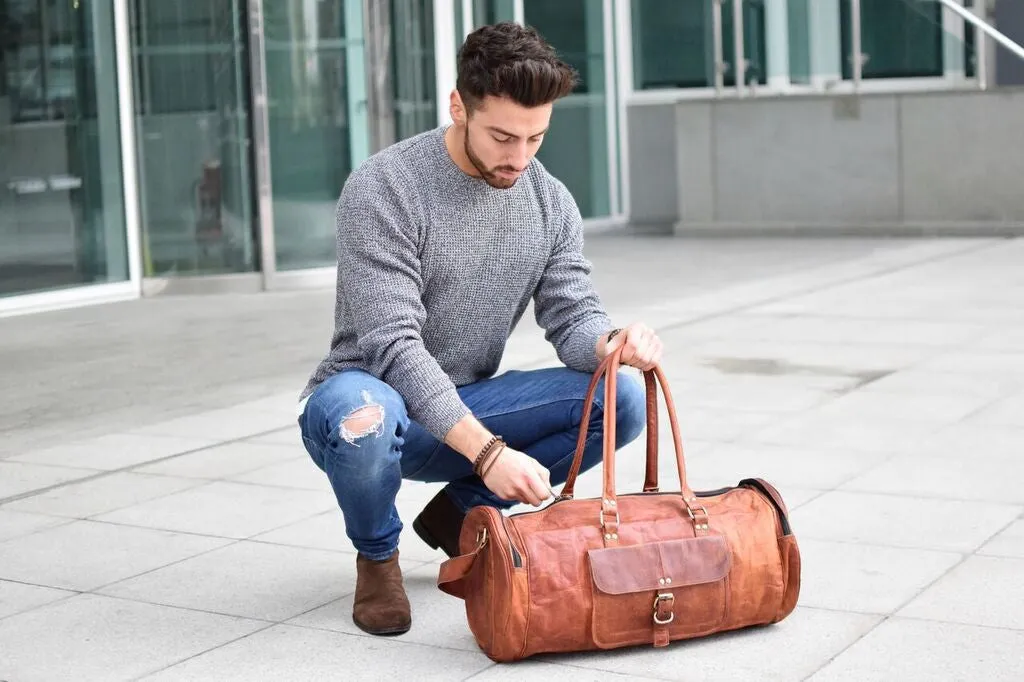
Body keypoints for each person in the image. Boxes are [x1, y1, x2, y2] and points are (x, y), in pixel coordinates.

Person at [297, 21, 664, 637]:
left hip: (466, 403)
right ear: (458, 106)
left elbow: (572, 315)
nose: (518, 157)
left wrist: (613, 343)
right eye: (501, 136)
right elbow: (391, 345)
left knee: (620, 398)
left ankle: (461, 516)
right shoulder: (385, 188)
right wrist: (487, 453)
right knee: (364, 418)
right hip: (368, 397)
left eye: (535, 138)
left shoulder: (550, 202)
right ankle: (377, 556)